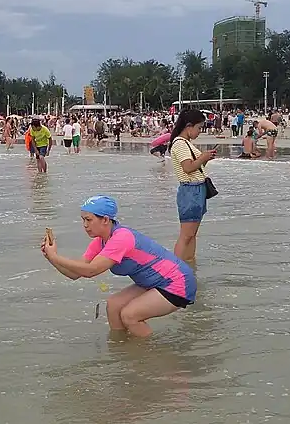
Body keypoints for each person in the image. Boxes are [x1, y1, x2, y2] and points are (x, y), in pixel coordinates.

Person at [40, 196, 196, 338]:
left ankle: (151, 356)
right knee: (114, 305)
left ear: (105, 220)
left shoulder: (122, 237)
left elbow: (91, 270)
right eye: (83, 220)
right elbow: (75, 273)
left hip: (177, 282)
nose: (85, 225)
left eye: (89, 220)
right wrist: (51, 258)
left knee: (130, 315)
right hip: (152, 282)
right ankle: (122, 351)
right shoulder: (100, 241)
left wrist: (56, 256)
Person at [168, 109, 214, 262]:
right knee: (186, 235)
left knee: (191, 235)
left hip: (196, 189)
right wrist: (203, 157)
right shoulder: (180, 144)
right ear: (189, 126)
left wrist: (204, 158)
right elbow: (187, 168)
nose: (200, 131)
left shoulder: (185, 143)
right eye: (199, 128)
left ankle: (188, 264)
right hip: (191, 190)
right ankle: (176, 268)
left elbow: (194, 167)